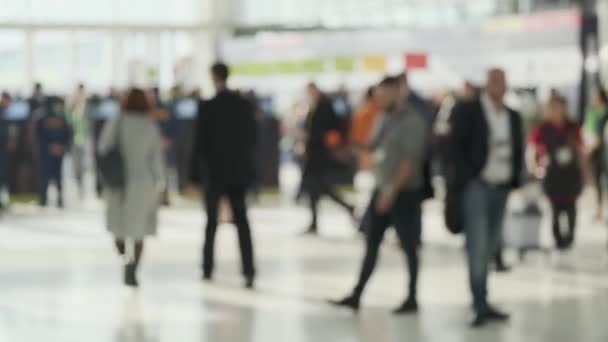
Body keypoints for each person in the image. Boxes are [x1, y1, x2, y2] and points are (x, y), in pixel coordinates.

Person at [329, 76, 426, 314]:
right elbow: (373, 146)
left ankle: (412, 296)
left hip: (403, 193)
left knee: (409, 245)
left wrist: (391, 191)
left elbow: (408, 162)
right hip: (381, 188)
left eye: (384, 94)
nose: (379, 99)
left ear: (397, 92)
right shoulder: (383, 117)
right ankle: (357, 294)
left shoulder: (412, 121)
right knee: (371, 242)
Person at [449, 68, 523, 327]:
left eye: (502, 81)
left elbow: (517, 148)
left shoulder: (512, 116)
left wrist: (516, 180)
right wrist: (468, 178)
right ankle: (478, 303)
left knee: (491, 246)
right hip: (476, 188)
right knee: (477, 247)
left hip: (501, 188)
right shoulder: (468, 111)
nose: (498, 86)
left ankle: (484, 299)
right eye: (494, 81)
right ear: (486, 84)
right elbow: (454, 147)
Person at [190, 62, 257, 289]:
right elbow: (252, 139)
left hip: (214, 173)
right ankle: (249, 271)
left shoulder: (208, 107)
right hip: (238, 172)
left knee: (211, 223)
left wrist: (194, 176)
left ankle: (207, 269)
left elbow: (199, 144)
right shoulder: (243, 105)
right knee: (242, 222)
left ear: (213, 77)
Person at [98, 88, 166, 287]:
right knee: (139, 230)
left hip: (119, 181)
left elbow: (103, 148)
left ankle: (124, 258)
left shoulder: (117, 122)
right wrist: (162, 185)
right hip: (144, 182)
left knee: (118, 227)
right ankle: (133, 268)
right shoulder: (150, 125)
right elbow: (156, 160)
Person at [528, 95, 584, 249]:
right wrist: (534, 167)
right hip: (553, 174)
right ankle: (558, 240)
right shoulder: (543, 128)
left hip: (570, 174)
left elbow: (580, 151)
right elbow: (533, 149)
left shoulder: (572, 127)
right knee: (555, 210)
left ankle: (570, 239)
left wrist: (584, 173)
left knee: (571, 208)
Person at [300, 82, 356, 235]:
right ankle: (345, 208)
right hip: (314, 153)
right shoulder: (314, 107)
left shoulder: (325, 106)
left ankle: (346, 208)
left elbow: (328, 129)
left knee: (318, 187)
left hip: (320, 154)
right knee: (319, 188)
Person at [36, 100, 72, 208]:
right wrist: (57, 146)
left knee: (54, 176)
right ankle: (46, 199)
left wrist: (60, 146)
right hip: (49, 152)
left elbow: (68, 133)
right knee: (49, 176)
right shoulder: (46, 119)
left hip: (53, 152)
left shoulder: (60, 118)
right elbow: (39, 136)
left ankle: (52, 199)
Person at [583, 87, 608, 221]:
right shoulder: (591, 112)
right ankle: (599, 210)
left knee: (602, 181)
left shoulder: (604, 113)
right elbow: (586, 129)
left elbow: (599, 135)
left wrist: (587, 150)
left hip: (602, 151)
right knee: (597, 182)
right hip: (594, 152)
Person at [67, 83, 88, 199]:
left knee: (83, 166)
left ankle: (82, 187)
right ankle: (78, 186)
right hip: (75, 141)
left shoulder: (86, 107)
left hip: (84, 141)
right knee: (76, 165)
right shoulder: (72, 109)